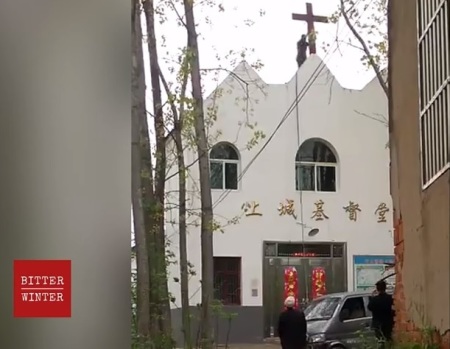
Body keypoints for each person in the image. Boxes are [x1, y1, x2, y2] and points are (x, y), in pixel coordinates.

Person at [368, 280, 395, 348]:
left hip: (377, 324)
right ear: (385, 288)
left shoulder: (374, 300)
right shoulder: (390, 298)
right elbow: (394, 309)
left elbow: (369, 307)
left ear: (377, 289)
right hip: (388, 323)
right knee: (388, 339)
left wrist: (372, 297)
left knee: (380, 341)